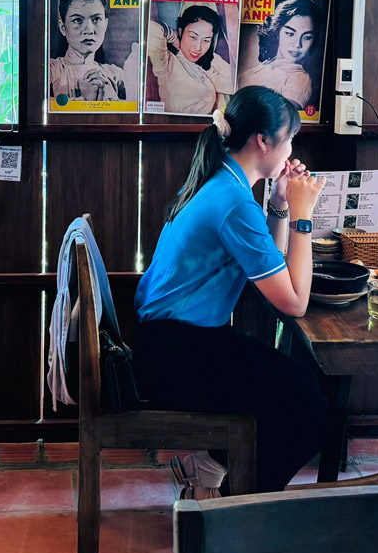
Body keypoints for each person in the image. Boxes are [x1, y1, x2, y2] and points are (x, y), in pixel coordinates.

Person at [132, 85, 328, 497]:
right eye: (290, 138)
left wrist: (280, 205)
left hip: (170, 342)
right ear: (263, 141)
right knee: (307, 404)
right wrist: (304, 218)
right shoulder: (234, 202)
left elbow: (273, 271)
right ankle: (233, 510)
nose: (292, 148)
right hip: (174, 355)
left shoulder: (224, 181)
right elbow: (294, 301)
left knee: (296, 387)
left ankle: (207, 472)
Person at [48, 0, 136, 103]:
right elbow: (37, 107)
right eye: (78, 20)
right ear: (63, 27)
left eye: (96, 19)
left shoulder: (116, 75)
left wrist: (113, 101)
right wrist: (83, 100)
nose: (89, 30)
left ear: (105, 24)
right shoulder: (51, 70)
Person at [147, 4, 234, 115]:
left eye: (206, 40)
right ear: (180, 31)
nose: (198, 48)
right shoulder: (167, 63)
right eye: (193, 37)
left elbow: (233, 85)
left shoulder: (210, 62)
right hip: (174, 127)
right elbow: (151, 29)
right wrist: (174, 37)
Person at [240, 0, 322, 109]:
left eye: (307, 37)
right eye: (289, 33)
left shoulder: (299, 78)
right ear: (277, 31)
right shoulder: (262, 68)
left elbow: (283, 120)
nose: (297, 44)